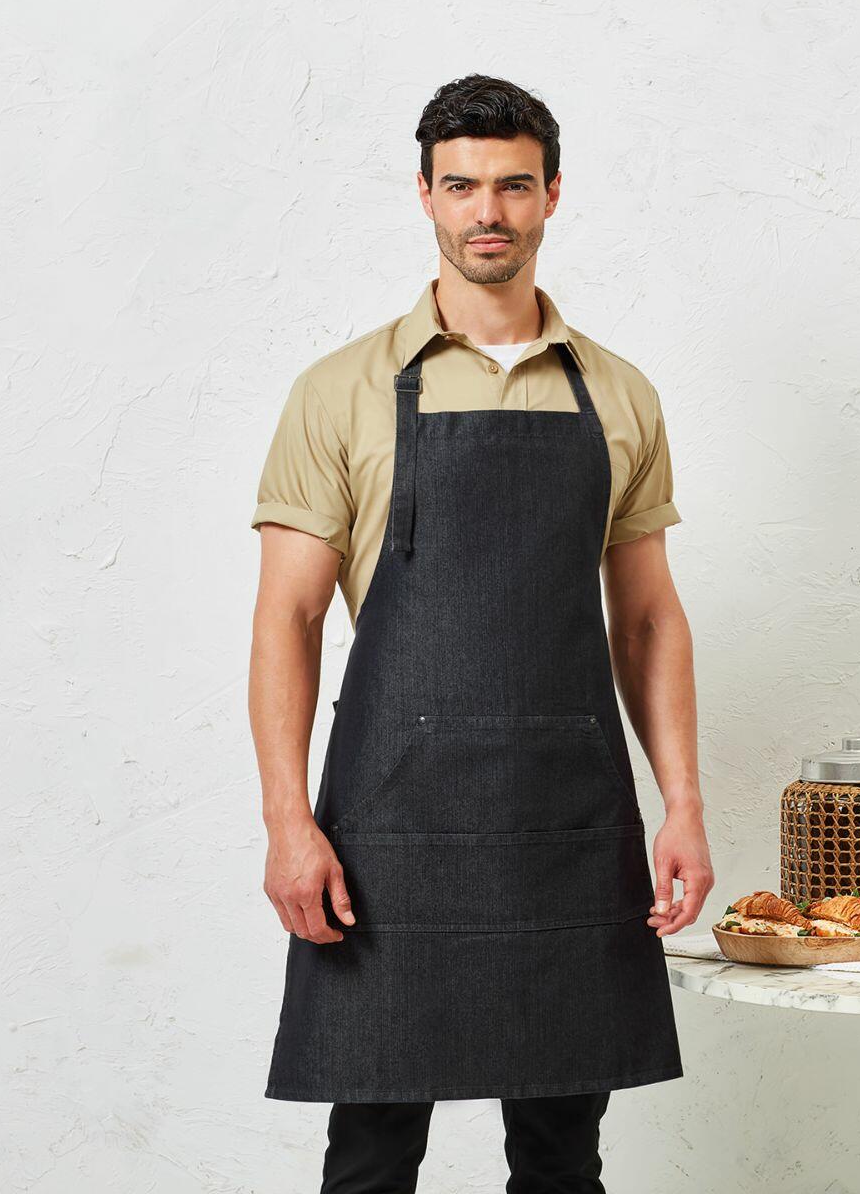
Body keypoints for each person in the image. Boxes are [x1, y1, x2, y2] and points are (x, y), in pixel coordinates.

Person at [248, 72, 714, 1194]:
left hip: (562, 819)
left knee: (561, 1154)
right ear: (424, 196)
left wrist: (684, 803)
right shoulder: (341, 390)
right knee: (369, 1155)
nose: (487, 211)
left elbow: (645, 615)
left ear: (553, 195)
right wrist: (287, 823)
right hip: (388, 825)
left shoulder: (617, 394)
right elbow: (289, 616)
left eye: (513, 185)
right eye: (461, 186)